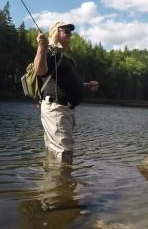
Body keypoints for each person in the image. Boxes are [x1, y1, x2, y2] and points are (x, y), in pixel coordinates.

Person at [34, 20, 99, 161]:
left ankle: (54, 181)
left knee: (56, 153)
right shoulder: (50, 52)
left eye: (71, 32)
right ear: (56, 33)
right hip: (57, 110)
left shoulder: (65, 58)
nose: (70, 35)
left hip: (65, 110)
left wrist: (86, 85)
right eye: (66, 31)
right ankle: (63, 182)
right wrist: (41, 47)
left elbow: (67, 84)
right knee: (64, 154)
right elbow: (40, 71)